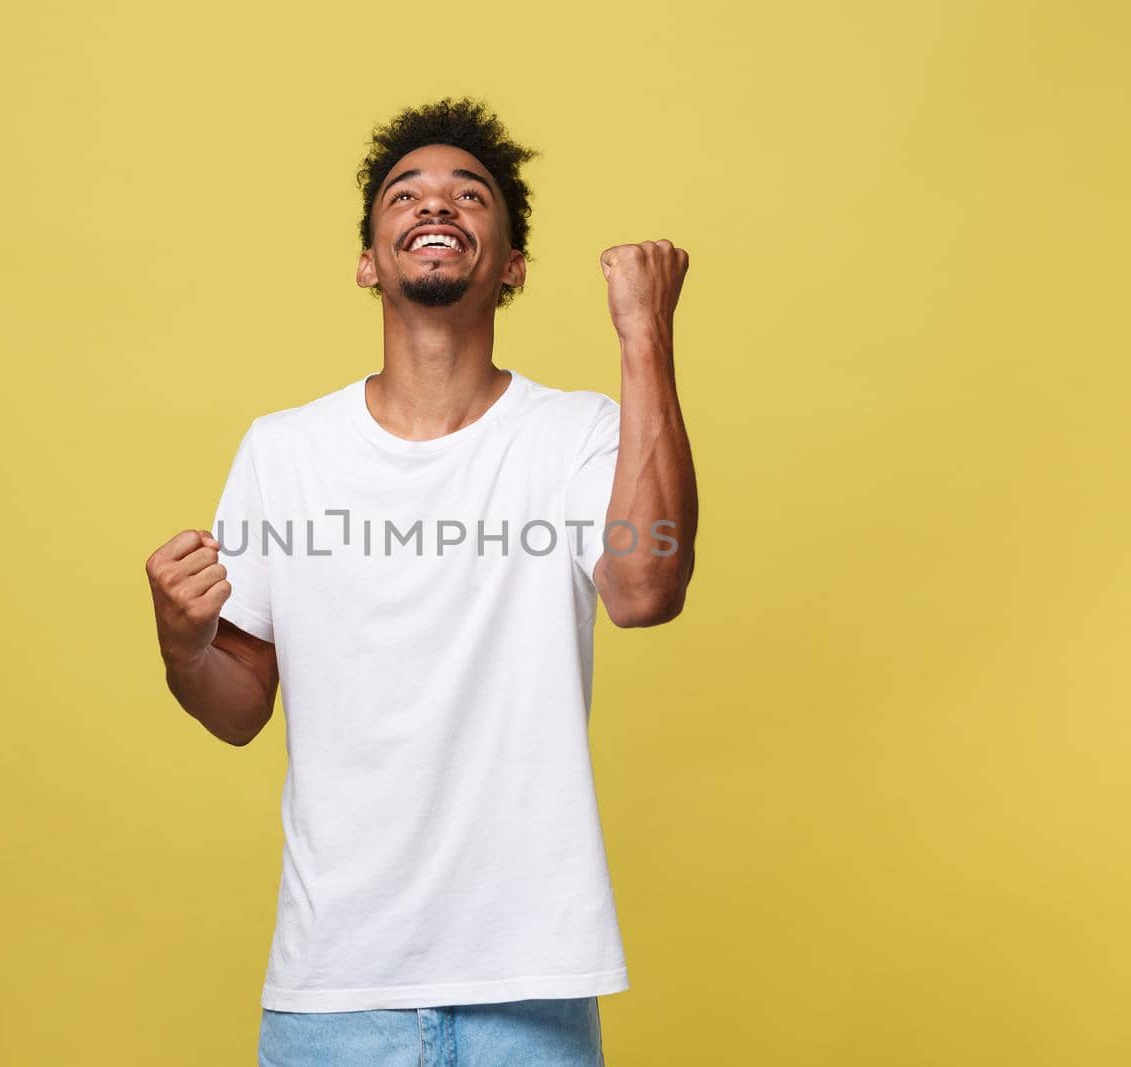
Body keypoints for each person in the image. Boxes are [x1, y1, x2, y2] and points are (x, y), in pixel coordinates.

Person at [145, 97, 697, 1065]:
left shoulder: (577, 437)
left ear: (512, 263)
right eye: (406, 192)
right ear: (368, 259)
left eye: (469, 194)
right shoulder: (284, 452)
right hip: (334, 995)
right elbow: (237, 706)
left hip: (528, 992)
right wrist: (183, 642)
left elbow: (645, 589)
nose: (435, 204)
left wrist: (642, 331)